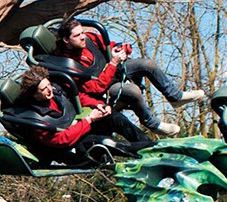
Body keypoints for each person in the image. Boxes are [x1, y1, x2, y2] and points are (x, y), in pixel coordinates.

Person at [54, 19, 204, 137]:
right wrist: (113, 62)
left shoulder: (89, 39)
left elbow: (110, 45)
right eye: (77, 36)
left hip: (114, 70)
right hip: (104, 89)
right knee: (132, 90)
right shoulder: (68, 63)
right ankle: (152, 123)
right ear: (66, 40)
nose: (82, 37)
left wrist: (121, 49)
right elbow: (95, 87)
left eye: (82, 33)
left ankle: (175, 96)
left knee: (147, 64)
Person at [13, 67, 152, 160]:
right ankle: (149, 151)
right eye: (44, 89)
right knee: (106, 143)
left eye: (49, 85)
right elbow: (61, 140)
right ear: (34, 93)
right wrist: (89, 120)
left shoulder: (55, 90)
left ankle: (148, 144)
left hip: (82, 127)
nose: (49, 90)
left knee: (114, 117)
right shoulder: (34, 118)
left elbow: (78, 97)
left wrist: (98, 105)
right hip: (72, 146)